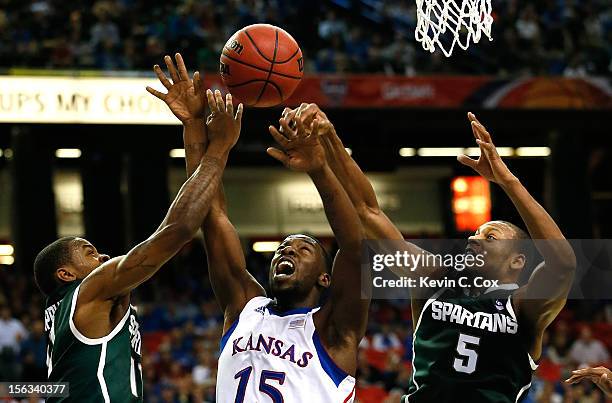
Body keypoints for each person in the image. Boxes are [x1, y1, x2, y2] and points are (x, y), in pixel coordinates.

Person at [288, 103, 576, 402]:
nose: (475, 239)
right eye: (475, 234)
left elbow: (563, 263)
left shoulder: (523, 307)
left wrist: (508, 181)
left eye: (490, 236)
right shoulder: (435, 278)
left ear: (518, 260)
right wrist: (331, 138)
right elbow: (368, 211)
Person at [148, 54, 367, 402]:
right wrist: (192, 124)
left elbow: (356, 249)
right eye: (283, 247)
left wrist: (319, 169)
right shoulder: (244, 307)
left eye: (303, 248)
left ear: (326, 278)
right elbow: (213, 214)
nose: (287, 250)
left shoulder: (333, 330)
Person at [34, 79, 240, 401]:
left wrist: (193, 127)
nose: (102, 258)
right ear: (66, 274)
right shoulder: (91, 289)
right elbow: (179, 229)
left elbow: (53, 389)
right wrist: (220, 147)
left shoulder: (60, 320)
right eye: (89, 253)